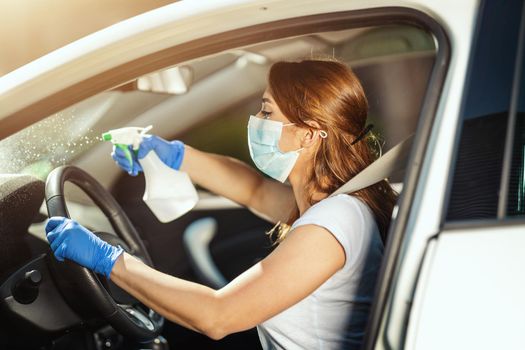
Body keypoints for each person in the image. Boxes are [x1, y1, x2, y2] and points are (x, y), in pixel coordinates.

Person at [45, 58, 398, 349]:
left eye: (266, 112)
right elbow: (253, 191)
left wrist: (109, 259)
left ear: (307, 134)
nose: (257, 122)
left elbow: (218, 317)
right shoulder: (337, 202)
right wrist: (174, 155)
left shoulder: (331, 224)